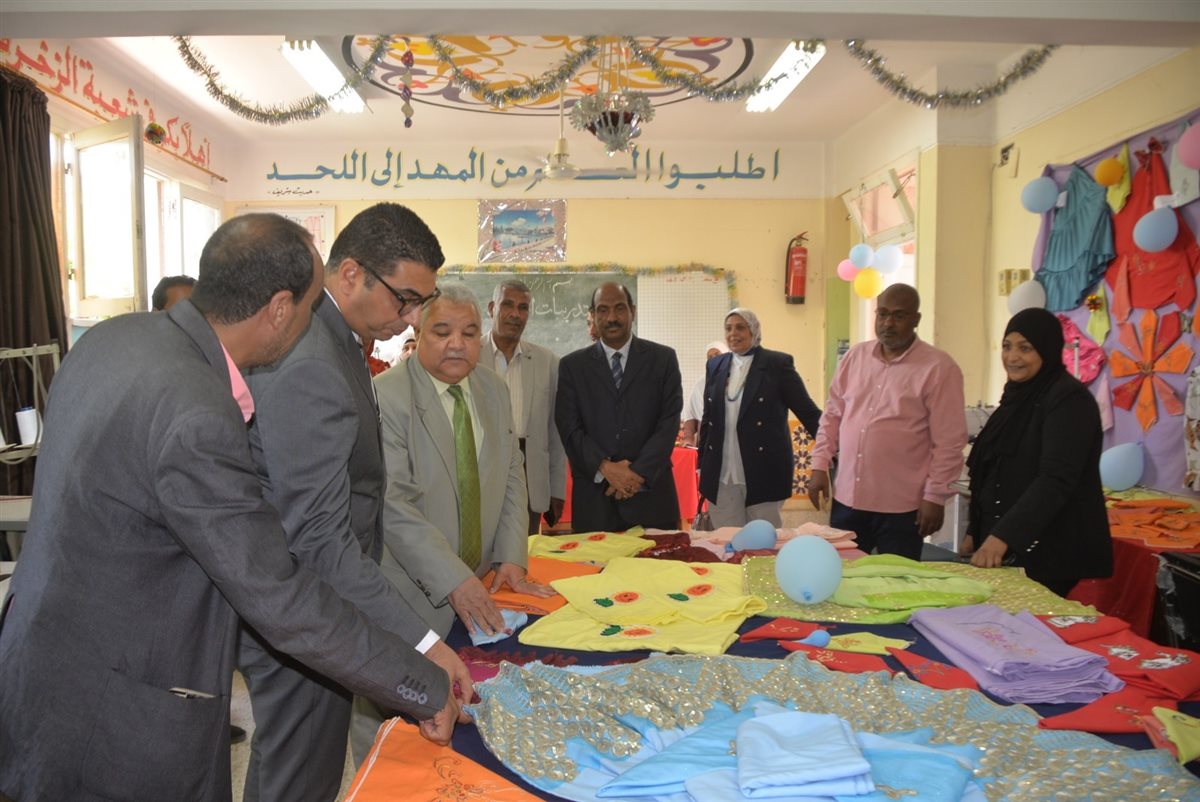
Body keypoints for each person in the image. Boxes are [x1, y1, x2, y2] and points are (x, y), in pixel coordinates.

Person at [0, 214, 462, 802]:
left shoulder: (114, 340)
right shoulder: (196, 411)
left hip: (39, 671)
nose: (312, 324)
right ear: (279, 309)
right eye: (310, 306)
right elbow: (277, 593)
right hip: (118, 718)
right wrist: (419, 680)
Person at [238, 204, 471, 802]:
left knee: (300, 765)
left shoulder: (338, 340)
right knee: (299, 772)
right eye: (405, 299)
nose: (413, 318)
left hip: (323, 602)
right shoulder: (311, 358)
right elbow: (319, 540)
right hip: (302, 608)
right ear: (349, 274)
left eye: (422, 302)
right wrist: (421, 644)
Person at [354, 285, 550, 760]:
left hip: (479, 588)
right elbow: (393, 503)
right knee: (391, 731)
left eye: (469, 333)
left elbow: (511, 471)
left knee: (467, 733)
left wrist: (511, 555)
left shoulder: (493, 389)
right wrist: (453, 580)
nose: (457, 344)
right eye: (442, 332)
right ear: (418, 333)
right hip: (406, 593)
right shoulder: (385, 396)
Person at [961, 307, 1112, 597]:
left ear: (1048, 349)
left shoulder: (1069, 400)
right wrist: (975, 531)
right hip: (1008, 546)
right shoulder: (1016, 398)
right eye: (1007, 346)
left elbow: (1056, 478)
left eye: (1025, 348)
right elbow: (992, 470)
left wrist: (1002, 537)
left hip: (1049, 548)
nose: (1012, 357)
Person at [808, 284, 967, 559]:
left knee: (897, 580)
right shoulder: (855, 357)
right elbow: (833, 414)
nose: (887, 323)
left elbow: (949, 442)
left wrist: (935, 496)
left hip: (902, 508)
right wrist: (819, 464)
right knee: (842, 575)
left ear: (916, 319)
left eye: (899, 316)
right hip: (848, 499)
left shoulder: (939, 368)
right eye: (882, 314)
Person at [556, 282, 684, 532]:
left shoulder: (663, 359)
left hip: (653, 499)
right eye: (603, 310)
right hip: (595, 502)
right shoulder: (572, 366)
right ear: (592, 315)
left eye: (619, 308)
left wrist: (636, 474)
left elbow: (668, 422)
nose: (612, 317)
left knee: (659, 560)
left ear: (632, 311)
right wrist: (606, 468)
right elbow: (569, 427)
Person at [698, 308, 822, 528]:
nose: (733, 334)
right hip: (721, 473)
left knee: (762, 539)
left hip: (764, 470)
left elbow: (808, 412)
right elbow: (708, 418)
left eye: (740, 327)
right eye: (728, 328)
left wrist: (833, 451)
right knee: (726, 538)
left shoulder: (777, 364)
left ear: (753, 330)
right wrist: (702, 464)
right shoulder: (715, 365)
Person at [482, 279, 567, 534]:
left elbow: (555, 432)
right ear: (492, 308)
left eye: (523, 307)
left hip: (529, 470)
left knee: (524, 548)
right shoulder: (469, 355)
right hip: (480, 469)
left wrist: (556, 489)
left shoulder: (547, 362)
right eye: (507, 305)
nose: (515, 314)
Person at [681, 340, 727, 446]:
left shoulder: (737, 380)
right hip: (707, 438)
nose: (714, 358)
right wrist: (688, 438)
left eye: (717, 354)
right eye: (710, 357)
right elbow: (691, 412)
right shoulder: (701, 384)